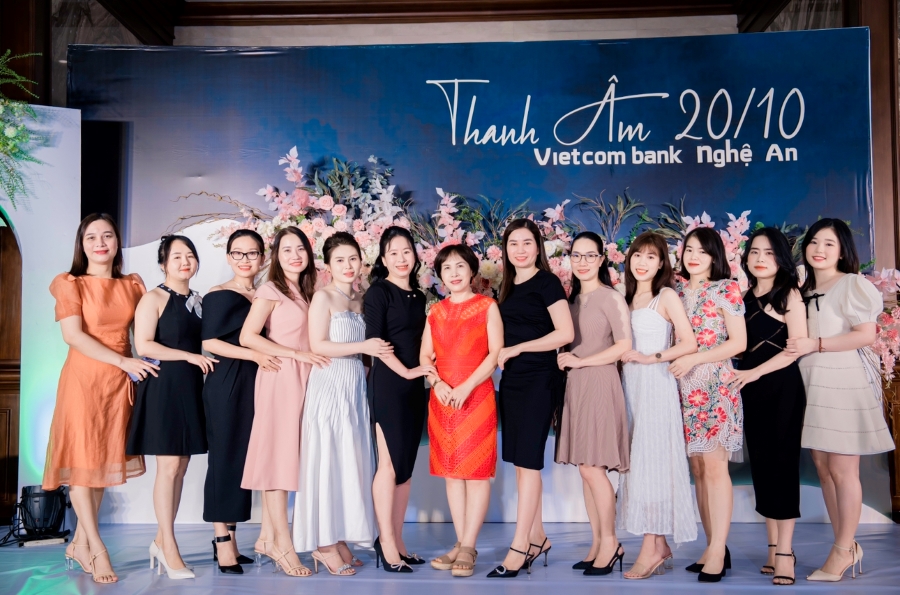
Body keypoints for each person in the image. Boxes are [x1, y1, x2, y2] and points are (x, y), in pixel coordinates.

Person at [45, 213, 155, 584]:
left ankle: (79, 544)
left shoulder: (132, 284)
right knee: (82, 463)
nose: (100, 243)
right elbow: (73, 336)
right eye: (91, 237)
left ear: (117, 242)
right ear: (82, 244)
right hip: (83, 379)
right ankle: (97, 548)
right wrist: (124, 361)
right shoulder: (70, 283)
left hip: (118, 384)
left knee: (100, 466)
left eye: (107, 235)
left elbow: (145, 336)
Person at [785, 218, 895, 582]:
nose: (819, 249)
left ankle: (844, 549)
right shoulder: (801, 286)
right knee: (823, 468)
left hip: (842, 381)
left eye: (829, 244)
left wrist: (815, 344)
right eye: (814, 242)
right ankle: (844, 545)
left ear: (843, 250)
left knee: (843, 470)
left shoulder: (852, 284)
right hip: (811, 382)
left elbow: (865, 335)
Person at [293, 232, 388, 575]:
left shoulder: (361, 299)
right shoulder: (324, 297)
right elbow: (318, 344)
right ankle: (323, 544)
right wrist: (364, 349)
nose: (348, 266)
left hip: (355, 387)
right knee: (328, 461)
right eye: (340, 260)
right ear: (327, 266)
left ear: (362, 261)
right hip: (330, 385)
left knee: (351, 461)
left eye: (353, 259)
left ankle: (341, 535)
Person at [240, 226, 329, 578]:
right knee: (278, 461)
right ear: (276, 255)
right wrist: (294, 354)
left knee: (294, 459)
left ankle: (267, 536)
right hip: (281, 377)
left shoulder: (311, 291)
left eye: (300, 248)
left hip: (308, 379)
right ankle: (282, 544)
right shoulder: (271, 289)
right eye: (287, 249)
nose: (294, 255)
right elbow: (248, 336)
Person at [488, 218, 574, 579]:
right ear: (505, 250)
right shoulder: (506, 287)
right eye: (513, 244)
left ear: (538, 248)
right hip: (512, 381)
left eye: (527, 243)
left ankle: (520, 546)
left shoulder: (547, 283)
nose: (520, 250)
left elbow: (565, 333)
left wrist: (519, 348)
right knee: (521, 465)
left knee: (529, 463)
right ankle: (538, 537)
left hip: (540, 378)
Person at [127, 234, 216, 580]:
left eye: (190, 255)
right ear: (163, 263)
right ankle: (169, 546)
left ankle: (161, 541)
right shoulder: (153, 298)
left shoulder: (198, 300)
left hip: (190, 387)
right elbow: (145, 345)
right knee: (168, 467)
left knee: (180, 466)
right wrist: (190, 357)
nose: (184, 262)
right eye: (177, 256)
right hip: (164, 385)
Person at [727, 228, 807, 586]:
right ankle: (773, 548)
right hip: (750, 390)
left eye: (770, 253)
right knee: (762, 466)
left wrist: (754, 372)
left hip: (782, 387)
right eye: (755, 252)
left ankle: (786, 553)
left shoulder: (789, 293)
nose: (761, 259)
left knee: (782, 466)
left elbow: (796, 347)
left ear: (782, 259)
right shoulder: (743, 297)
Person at [618, 231, 699, 579]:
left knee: (653, 463)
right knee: (637, 465)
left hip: (656, 385)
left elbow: (689, 342)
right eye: (638, 255)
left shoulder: (665, 296)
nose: (642, 262)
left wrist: (652, 357)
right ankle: (659, 544)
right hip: (629, 388)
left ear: (662, 262)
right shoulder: (625, 296)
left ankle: (652, 547)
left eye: (651, 256)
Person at [201, 229, 281, 574]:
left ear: (262, 257)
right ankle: (221, 540)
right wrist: (254, 355)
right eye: (238, 253)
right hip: (227, 381)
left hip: (259, 381)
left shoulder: (267, 293)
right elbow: (210, 343)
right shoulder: (218, 294)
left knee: (244, 460)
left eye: (252, 253)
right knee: (224, 457)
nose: (245, 260)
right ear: (228, 257)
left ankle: (232, 538)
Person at [671, 227, 746, 583]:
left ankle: (718, 549)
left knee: (715, 469)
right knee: (698, 470)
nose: (694, 256)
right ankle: (712, 544)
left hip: (715, 387)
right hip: (682, 389)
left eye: (702, 251)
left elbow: (738, 343)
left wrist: (695, 359)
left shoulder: (725, 288)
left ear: (716, 255)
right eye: (689, 249)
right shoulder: (676, 291)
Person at [422, 244, 502, 578]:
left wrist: (466, 387)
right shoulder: (435, 312)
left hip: (476, 396)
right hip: (443, 399)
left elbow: (495, 354)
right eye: (447, 268)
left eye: (460, 266)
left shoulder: (487, 306)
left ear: (472, 271)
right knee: (452, 473)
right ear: (440, 276)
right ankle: (460, 543)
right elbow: (425, 356)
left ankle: (468, 546)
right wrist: (436, 382)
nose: (454, 274)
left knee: (477, 472)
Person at [554, 231, 632, 577]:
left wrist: (582, 361)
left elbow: (624, 346)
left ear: (602, 259)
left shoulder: (610, 297)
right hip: (576, 386)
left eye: (590, 255)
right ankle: (598, 542)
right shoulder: (571, 302)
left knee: (592, 468)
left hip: (600, 381)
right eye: (577, 255)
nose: (582, 262)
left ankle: (612, 542)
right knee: (585, 470)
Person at [365, 226, 435, 571]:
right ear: (383, 258)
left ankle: (398, 540)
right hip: (389, 386)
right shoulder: (379, 292)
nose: (401, 258)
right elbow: (375, 343)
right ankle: (386, 543)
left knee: (405, 469)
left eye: (406, 251)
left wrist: (422, 372)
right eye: (393, 252)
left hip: (413, 388)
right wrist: (407, 372)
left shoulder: (419, 297)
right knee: (389, 465)